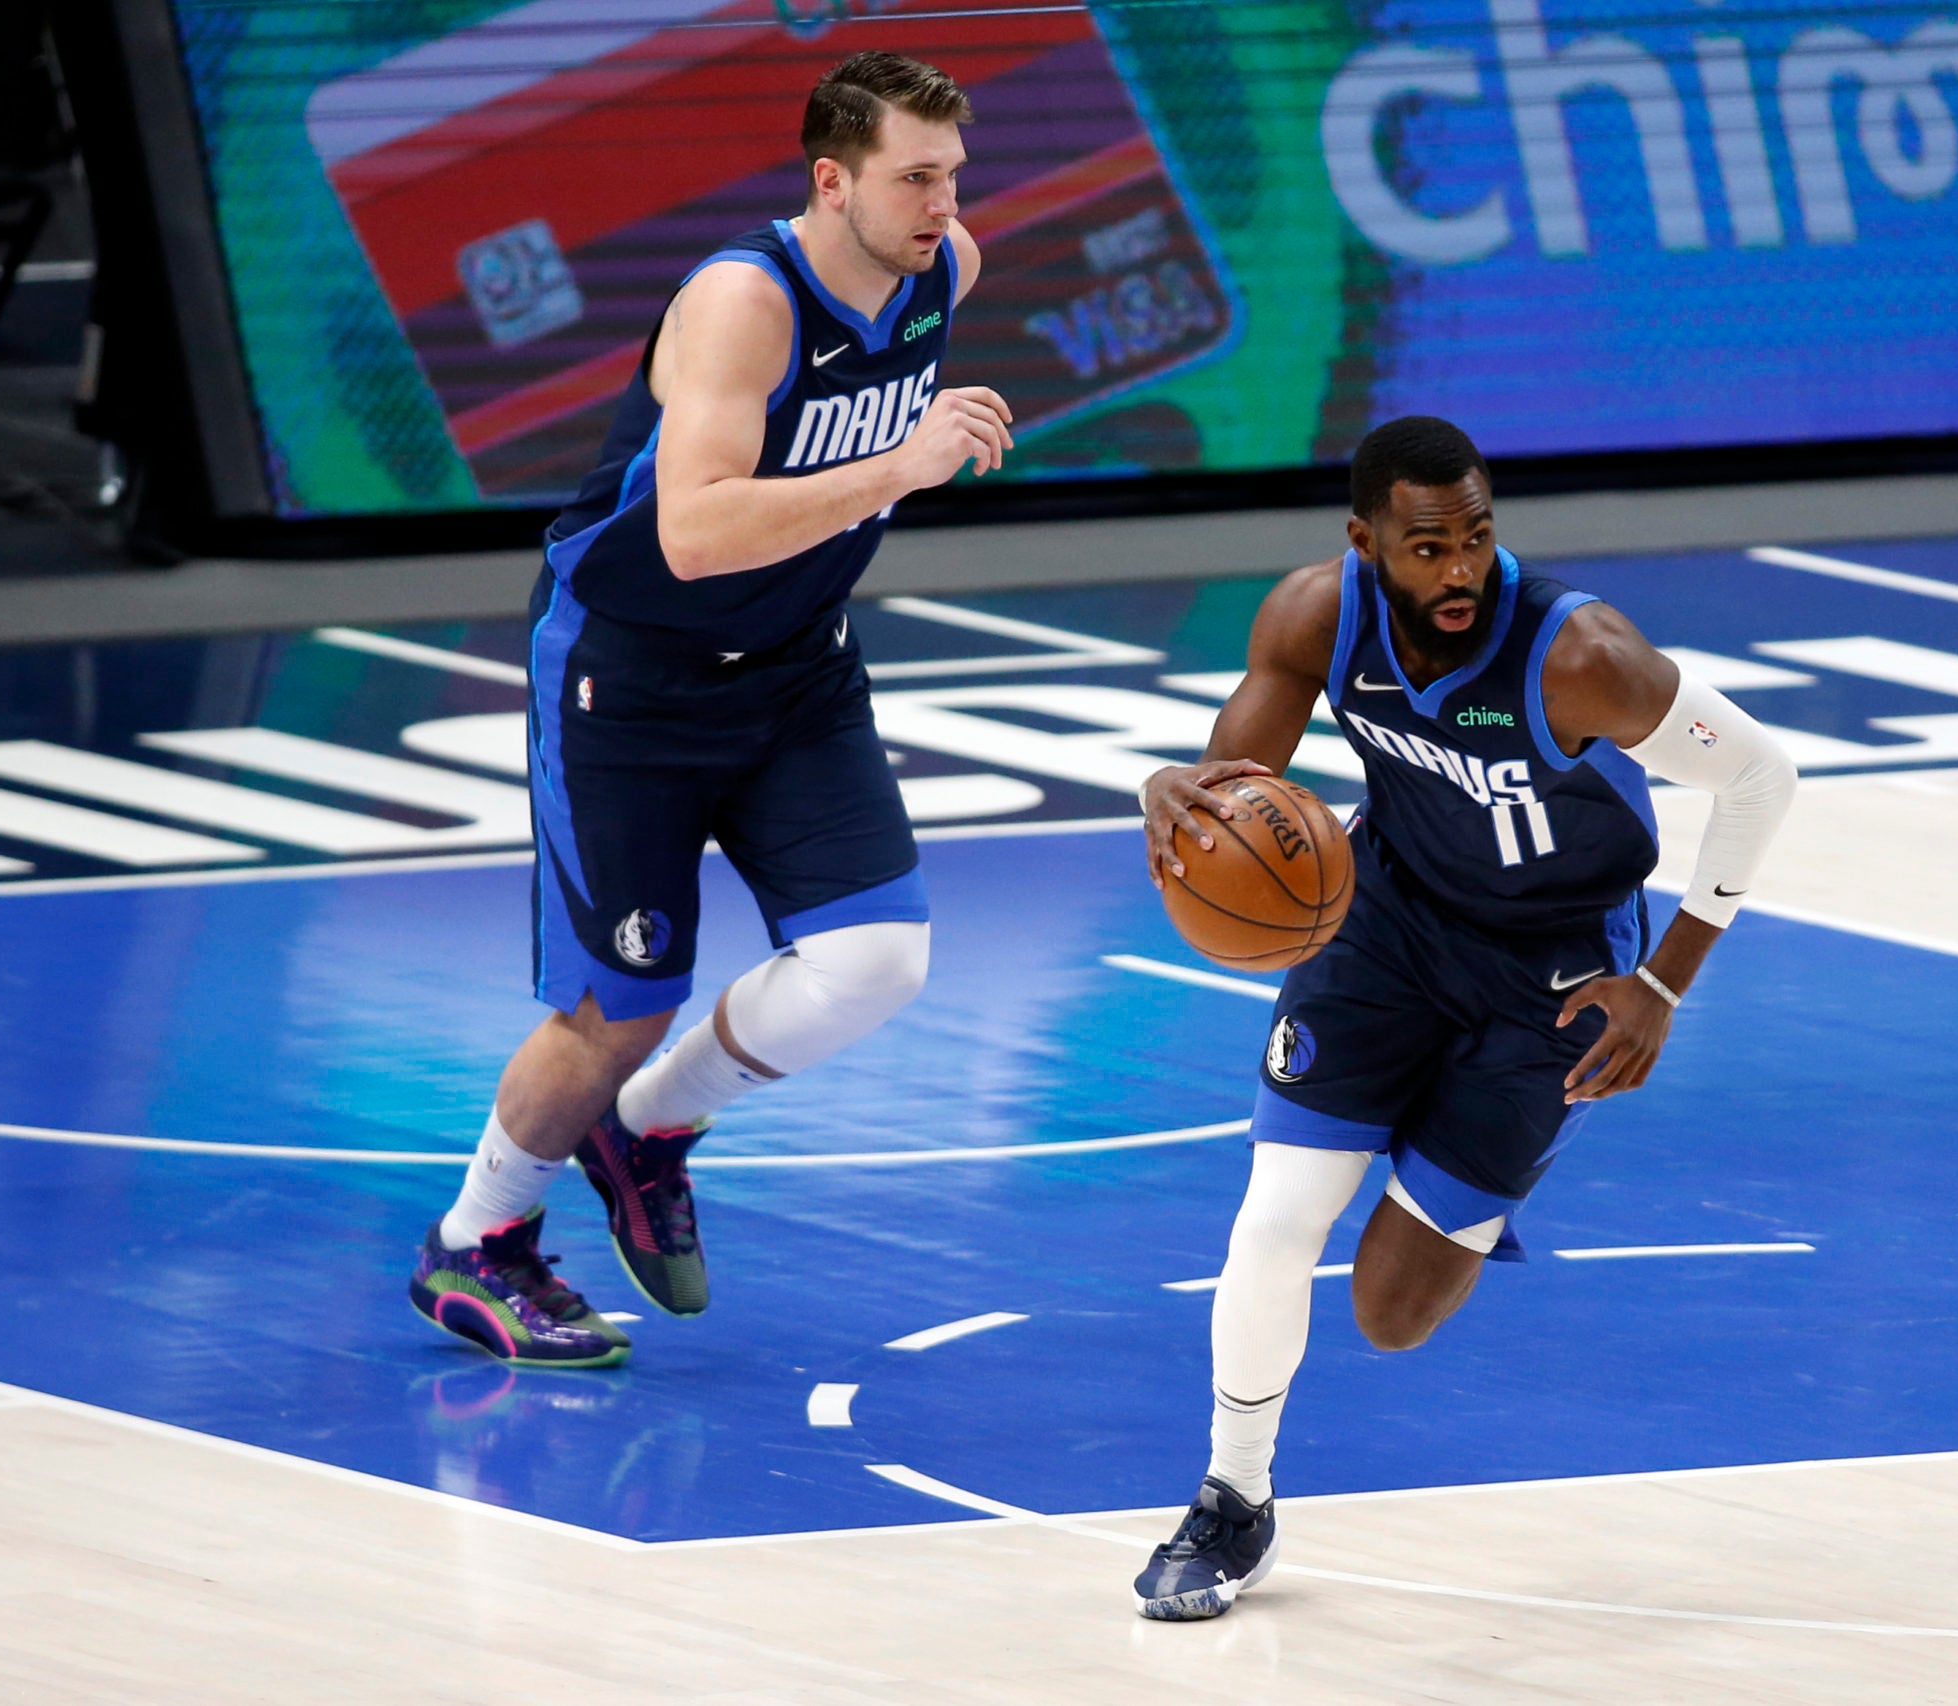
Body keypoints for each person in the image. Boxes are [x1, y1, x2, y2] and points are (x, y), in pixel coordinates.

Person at [1128, 416, 1797, 1618]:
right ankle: (1232, 1497)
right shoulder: (1314, 615)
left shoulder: (1579, 655)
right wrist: (1176, 792)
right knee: (1276, 1220)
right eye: (1428, 545)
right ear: (1364, 539)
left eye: (1477, 536)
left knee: (1390, 1313)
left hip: (1554, 968)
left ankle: (1459, 1168)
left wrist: (1663, 982)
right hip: (1385, 924)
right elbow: (1233, 790)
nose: (1459, 568)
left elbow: (1760, 777)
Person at [408, 52, 1015, 1367]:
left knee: (878, 961)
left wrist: (880, 466)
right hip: (628, 673)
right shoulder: (745, 301)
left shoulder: (946, 271)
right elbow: (690, 533)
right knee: (616, 1002)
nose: (943, 206)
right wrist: (896, 465)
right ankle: (476, 1246)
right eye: (915, 178)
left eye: (954, 176)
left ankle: (650, 1125)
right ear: (830, 179)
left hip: (794, 667)